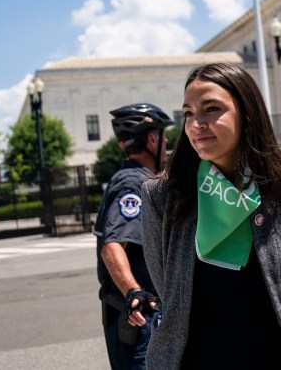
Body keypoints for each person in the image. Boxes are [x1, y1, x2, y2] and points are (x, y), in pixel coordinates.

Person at [140, 63, 281, 370]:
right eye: (188, 113)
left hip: (276, 358)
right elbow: (165, 285)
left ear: (246, 112)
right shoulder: (162, 196)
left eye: (211, 109)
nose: (196, 123)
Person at [94, 103, 173, 370]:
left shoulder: (138, 178)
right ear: (152, 138)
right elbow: (113, 244)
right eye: (164, 137)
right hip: (139, 320)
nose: (166, 144)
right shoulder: (133, 183)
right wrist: (133, 291)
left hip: (142, 317)